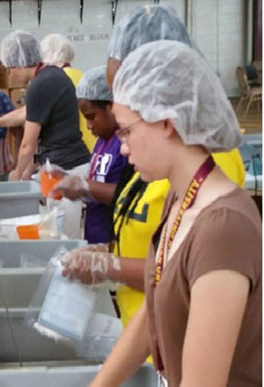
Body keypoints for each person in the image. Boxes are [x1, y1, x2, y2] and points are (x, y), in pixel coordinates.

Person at [84, 40, 261, 387]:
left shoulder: (223, 229)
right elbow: (154, 310)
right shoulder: (178, 200)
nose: (122, 145)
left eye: (127, 130)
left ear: (166, 122)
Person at [64, 4, 246, 331]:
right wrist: (106, 253)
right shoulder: (161, 165)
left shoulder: (210, 180)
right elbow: (161, 271)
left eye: (128, 119)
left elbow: (182, 282)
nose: (121, 141)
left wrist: (109, 265)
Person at [0, 30, 91, 180]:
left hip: (66, 169)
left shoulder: (40, 85)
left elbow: (28, 145)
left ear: (20, 63)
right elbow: (28, 114)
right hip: (69, 164)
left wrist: (17, 175)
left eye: (10, 69)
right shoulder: (52, 75)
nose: (10, 75)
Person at [53, 66, 127, 244]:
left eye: (92, 116)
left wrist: (84, 186)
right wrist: (66, 180)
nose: (88, 125)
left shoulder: (125, 144)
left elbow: (127, 193)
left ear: (111, 107)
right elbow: (100, 180)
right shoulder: (102, 141)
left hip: (116, 239)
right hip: (96, 234)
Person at [41, 33, 97, 152]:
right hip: (94, 145)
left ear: (48, 55)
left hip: (76, 149)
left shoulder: (58, 80)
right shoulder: (81, 74)